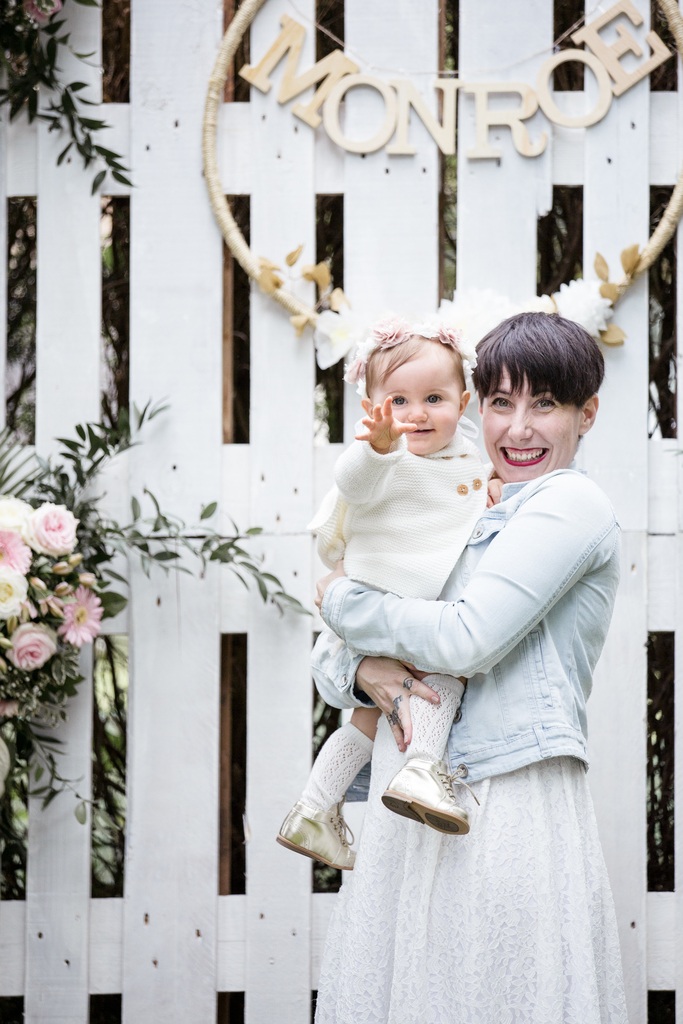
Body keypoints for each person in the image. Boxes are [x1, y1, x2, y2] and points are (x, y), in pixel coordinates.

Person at [312, 312, 629, 1024]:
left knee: (497, 991)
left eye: (543, 404)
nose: (518, 428)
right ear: (475, 408)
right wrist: (362, 668)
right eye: (500, 403)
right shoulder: (457, 503)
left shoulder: (568, 504)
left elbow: (465, 639)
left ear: (586, 414)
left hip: (508, 791)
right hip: (412, 798)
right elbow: (335, 654)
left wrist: (342, 600)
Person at [278, 315, 489, 872]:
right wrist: (374, 449)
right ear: (374, 407)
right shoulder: (385, 460)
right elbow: (353, 484)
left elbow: (475, 494)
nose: (416, 414)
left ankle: (314, 809)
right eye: (398, 401)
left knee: (368, 722)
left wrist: (491, 486)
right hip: (389, 606)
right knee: (445, 678)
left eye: (435, 398)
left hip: (404, 609)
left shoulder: (469, 459)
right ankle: (422, 770)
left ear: (464, 402)